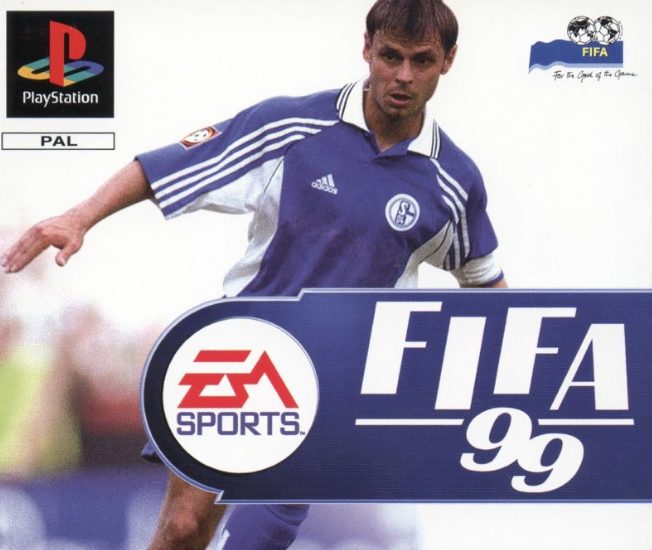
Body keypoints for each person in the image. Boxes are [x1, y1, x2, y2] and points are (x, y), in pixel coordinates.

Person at [1, 0, 507, 547]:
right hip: (241, 351)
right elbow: (166, 165)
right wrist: (80, 217)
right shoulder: (292, 127)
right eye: (391, 56)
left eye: (421, 60)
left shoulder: (453, 181)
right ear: (367, 49)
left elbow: (488, 288)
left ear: (448, 60)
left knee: (260, 535)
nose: (403, 75)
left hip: (337, 381)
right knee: (183, 528)